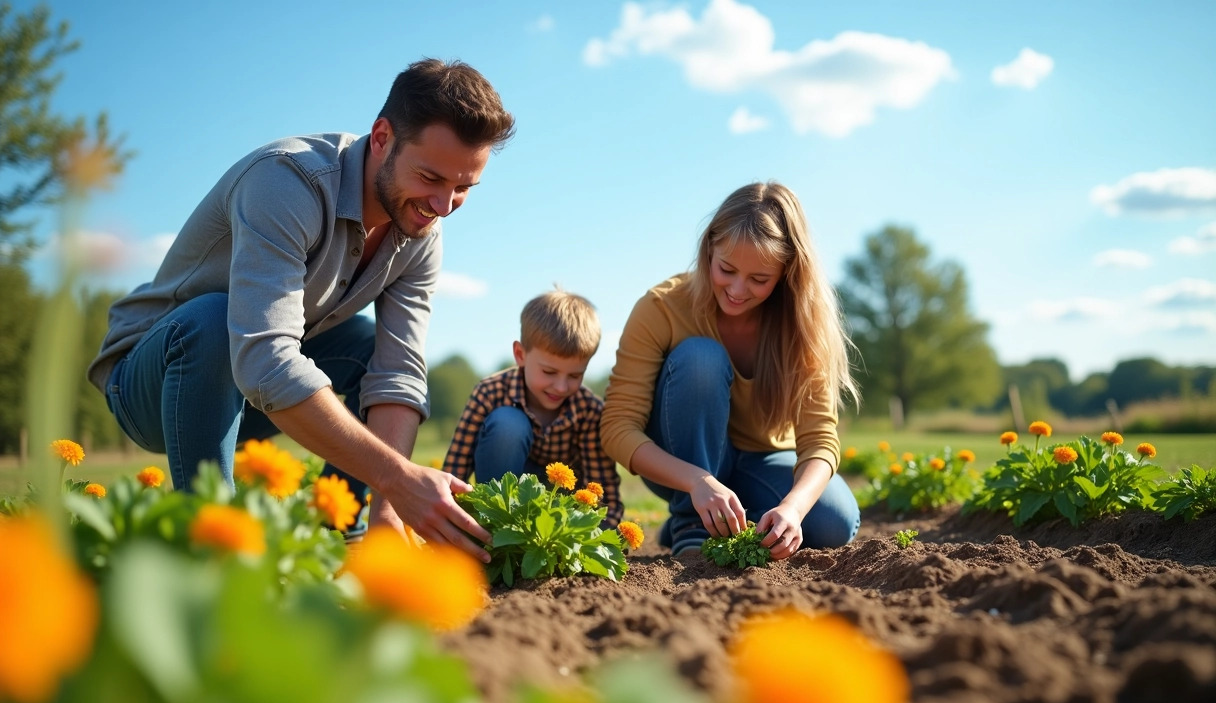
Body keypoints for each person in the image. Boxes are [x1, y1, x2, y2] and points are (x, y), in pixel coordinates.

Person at [86, 58, 514, 559]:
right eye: (430, 177)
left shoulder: (420, 229)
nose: (443, 205)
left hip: (248, 393)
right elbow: (264, 356)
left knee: (361, 345)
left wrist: (388, 508)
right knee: (213, 319)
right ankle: (211, 546)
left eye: (463, 188)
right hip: (154, 382)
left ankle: (342, 539)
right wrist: (398, 477)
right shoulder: (287, 182)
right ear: (381, 138)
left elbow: (397, 371)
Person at [600, 181, 861, 559]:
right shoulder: (661, 307)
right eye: (727, 269)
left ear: (787, 273)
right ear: (709, 249)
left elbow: (820, 439)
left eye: (759, 280)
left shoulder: (802, 324)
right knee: (701, 358)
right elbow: (618, 427)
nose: (738, 290)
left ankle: (731, 519)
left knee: (834, 522)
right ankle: (692, 522)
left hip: (762, 460)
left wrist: (793, 509)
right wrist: (698, 481)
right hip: (684, 463)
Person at [443, 289, 623, 526]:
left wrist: (598, 538)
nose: (560, 386)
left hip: (559, 515)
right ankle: (495, 528)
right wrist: (449, 522)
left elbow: (603, 492)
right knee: (508, 425)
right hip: (503, 498)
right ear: (520, 354)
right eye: (549, 372)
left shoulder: (589, 410)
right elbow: (455, 470)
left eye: (575, 375)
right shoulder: (489, 392)